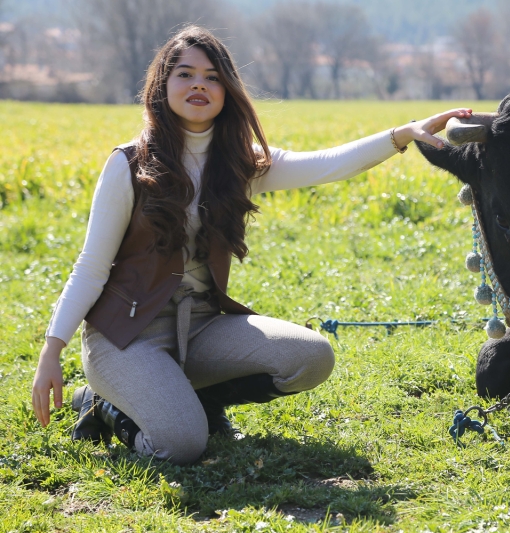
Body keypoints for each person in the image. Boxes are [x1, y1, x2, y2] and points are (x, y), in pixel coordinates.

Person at [30, 25, 471, 465]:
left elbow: (327, 164)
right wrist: (53, 350)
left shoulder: (240, 163)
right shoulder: (128, 164)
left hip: (200, 327)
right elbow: (91, 267)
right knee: (181, 444)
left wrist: (403, 134)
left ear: (227, 91)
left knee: (311, 357)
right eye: (185, 74)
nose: (199, 84)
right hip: (126, 336)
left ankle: (195, 398)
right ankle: (104, 406)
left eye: (212, 77)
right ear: (161, 86)